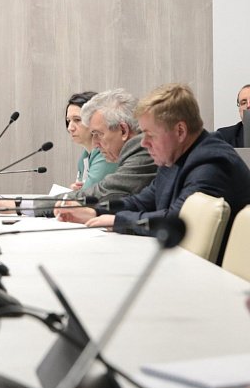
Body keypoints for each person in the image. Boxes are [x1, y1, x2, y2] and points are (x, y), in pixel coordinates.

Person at [57, 83, 250, 265]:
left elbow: (176, 220)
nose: (143, 142)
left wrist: (118, 221)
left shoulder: (211, 163)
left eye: (150, 135)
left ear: (180, 131)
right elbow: (142, 201)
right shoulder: (176, 156)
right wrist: (96, 211)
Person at [0, 89, 157, 214]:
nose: (96, 143)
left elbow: (97, 196)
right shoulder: (130, 151)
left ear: (123, 130)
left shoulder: (141, 149)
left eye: (98, 134)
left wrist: (16, 205)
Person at [66, 91, 117, 191]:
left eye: (77, 120)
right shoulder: (84, 156)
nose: (70, 128)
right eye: (68, 121)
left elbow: (88, 195)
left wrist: (78, 193)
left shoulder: (107, 154)